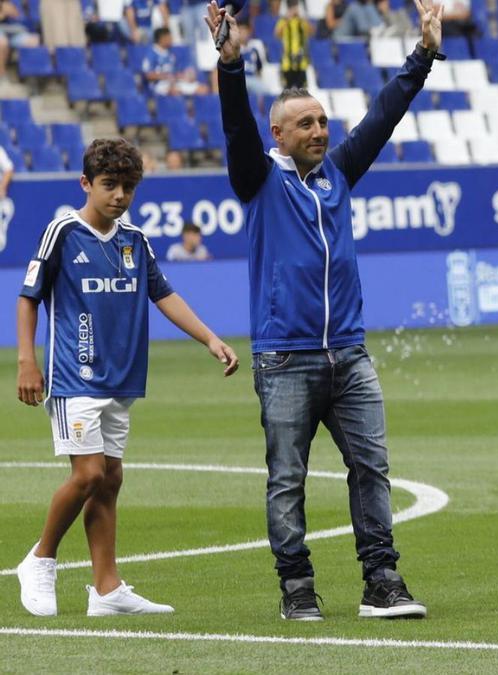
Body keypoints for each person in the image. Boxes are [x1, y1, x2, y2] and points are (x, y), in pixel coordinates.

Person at [207, 0, 442, 621]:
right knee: (288, 478)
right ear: (278, 134)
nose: (318, 129)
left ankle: (382, 582)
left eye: (321, 120)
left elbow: (382, 118)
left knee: (372, 468)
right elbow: (236, 128)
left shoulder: (337, 172)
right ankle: (297, 588)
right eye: (304, 123)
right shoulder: (258, 179)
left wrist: (421, 56)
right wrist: (230, 66)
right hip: (285, 357)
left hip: (351, 354)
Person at [13, 137, 239, 618]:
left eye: (127, 187)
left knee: (110, 478)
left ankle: (106, 589)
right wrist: (26, 361)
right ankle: (39, 559)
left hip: (121, 380)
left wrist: (210, 339)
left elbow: (164, 294)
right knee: (89, 473)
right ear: (86, 184)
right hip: (74, 376)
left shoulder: (134, 240)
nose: (118, 195)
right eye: (109, 185)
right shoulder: (62, 232)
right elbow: (28, 296)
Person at [143, 27, 209, 95]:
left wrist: (185, 76)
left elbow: (177, 71)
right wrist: (166, 76)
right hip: (159, 85)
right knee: (175, 92)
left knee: (203, 89)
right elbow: (148, 75)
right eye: (169, 38)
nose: (171, 40)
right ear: (162, 39)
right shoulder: (152, 53)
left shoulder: (170, 52)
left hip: (175, 82)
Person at [275, 0, 310, 89]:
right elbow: (277, 34)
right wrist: (287, 19)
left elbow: (312, 32)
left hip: (301, 62)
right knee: (287, 92)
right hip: (287, 63)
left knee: (302, 92)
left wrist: (303, 18)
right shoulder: (283, 21)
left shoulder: (301, 21)